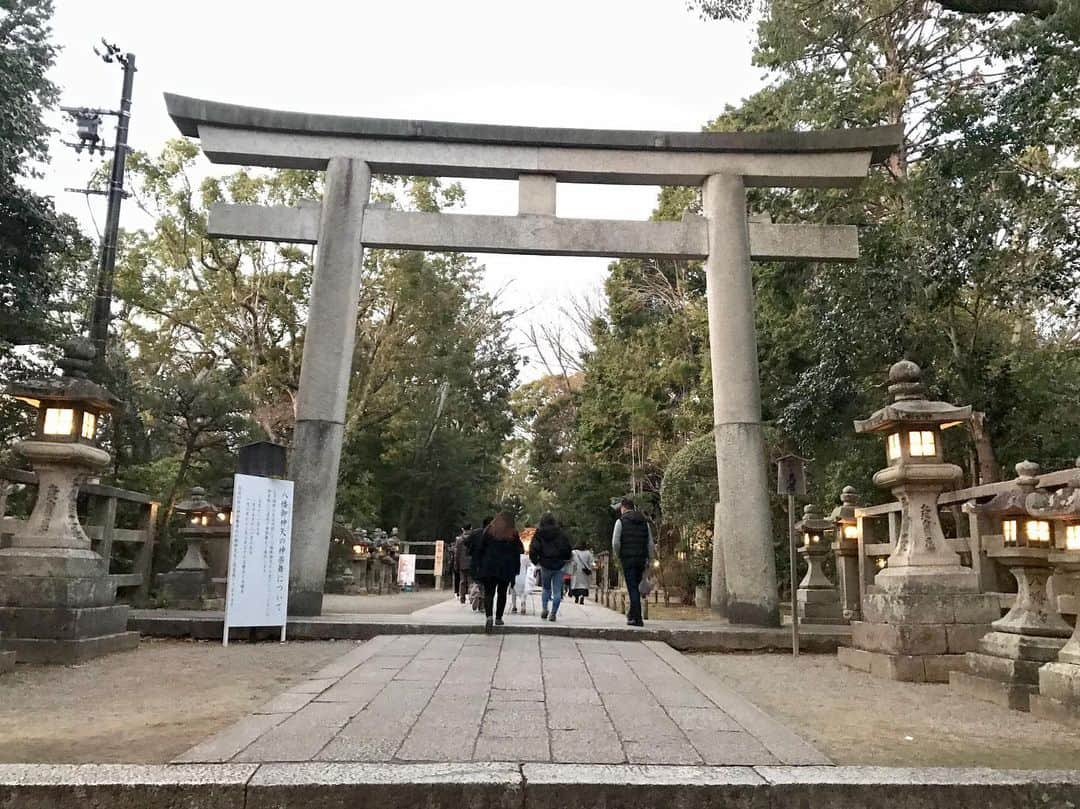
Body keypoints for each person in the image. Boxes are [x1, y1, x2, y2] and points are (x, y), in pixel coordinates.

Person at [474, 512, 524, 631]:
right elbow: (518, 551)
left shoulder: (489, 531)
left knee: (489, 593)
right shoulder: (512, 533)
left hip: (489, 566)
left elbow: (480, 549)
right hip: (506, 567)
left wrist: (478, 566)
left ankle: (489, 616)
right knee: (502, 592)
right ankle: (499, 617)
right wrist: (516, 569)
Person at [612, 498, 655, 627]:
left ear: (623, 508)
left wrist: (618, 554)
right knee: (635, 586)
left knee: (632, 588)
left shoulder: (620, 522)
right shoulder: (644, 523)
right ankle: (632, 614)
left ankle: (637, 618)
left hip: (627, 558)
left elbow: (615, 542)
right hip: (641, 559)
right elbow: (650, 544)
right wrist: (650, 559)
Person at [529, 513, 572, 622]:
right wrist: (565, 558)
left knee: (546, 588)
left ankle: (544, 608)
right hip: (559, 565)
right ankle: (553, 613)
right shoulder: (560, 533)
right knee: (557, 591)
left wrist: (535, 560)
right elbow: (567, 548)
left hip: (545, 564)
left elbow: (534, 547)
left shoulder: (539, 533)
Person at [569, 540, 595, 605]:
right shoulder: (588, 553)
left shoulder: (573, 552)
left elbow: (571, 561)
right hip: (584, 571)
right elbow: (591, 562)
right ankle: (582, 596)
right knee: (584, 585)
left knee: (575, 584)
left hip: (575, 571)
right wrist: (592, 567)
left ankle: (576, 597)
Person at [510, 547, 530, 614]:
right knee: (523, 592)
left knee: (513, 592)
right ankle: (523, 602)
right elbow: (530, 565)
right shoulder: (525, 557)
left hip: (513, 576)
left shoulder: (511, 556)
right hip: (523, 577)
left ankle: (514, 606)